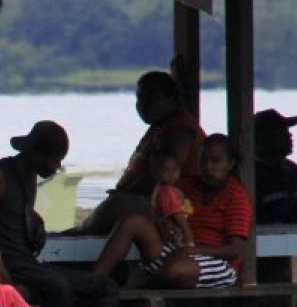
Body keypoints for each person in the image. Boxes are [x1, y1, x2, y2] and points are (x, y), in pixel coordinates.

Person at [0, 120, 118, 307]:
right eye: (53, 159)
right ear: (35, 153)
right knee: (58, 287)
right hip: (8, 265)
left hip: (28, 263)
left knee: (106, 287)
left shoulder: (30, 176)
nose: (57, 166)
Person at [93, 134, 253, 289]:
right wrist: (162, 223)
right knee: (132, 221)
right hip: (177, 250)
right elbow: (154, 211)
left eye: (215, 161)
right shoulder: (186, 185)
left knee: (175, 269)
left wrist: (191, 250)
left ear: (230, 164)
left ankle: (141, 285)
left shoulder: (236, 197)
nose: (208, 167)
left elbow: (236, 250)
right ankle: (95, 281)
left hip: (216, 262)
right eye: (203, 160)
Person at [78, 65, 206, 234]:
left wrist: (125, 194)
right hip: (146, 197)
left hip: (172, 204)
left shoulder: (179, 129)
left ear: (172, 99)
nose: (143, 104)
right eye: (139, 98)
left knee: (117, 205)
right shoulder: (160, 125)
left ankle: (79, 233)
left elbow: (160, 176)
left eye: (152, 98)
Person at [254, 108, 297, 224]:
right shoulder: (251, 173)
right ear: (261, 138)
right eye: (281, 131)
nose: (289, 135)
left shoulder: (293, 169)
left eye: (287, 130)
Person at [151, 151, 195, 249]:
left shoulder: (161, 188)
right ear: (156, 173)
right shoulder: (167, 192)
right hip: (175, 234)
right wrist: (189, 237)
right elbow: (178, 217)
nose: (170, 174)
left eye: (174, 169)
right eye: (165, 170)